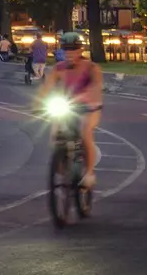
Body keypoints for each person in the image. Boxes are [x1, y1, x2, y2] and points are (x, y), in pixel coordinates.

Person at [43, 31, 103, 188]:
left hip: (90, 107)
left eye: (73, 49)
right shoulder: (58, 68)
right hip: (67, 106)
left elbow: (96, 87)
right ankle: (64, 169)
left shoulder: (91, 67)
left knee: (85, 133)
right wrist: (37, 103)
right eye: (66, 49)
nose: (69, 52)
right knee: (55, 134)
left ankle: (89, 173)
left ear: (81, 50)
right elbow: (46, 88)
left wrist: (87, 98)